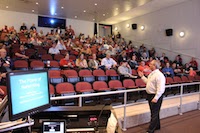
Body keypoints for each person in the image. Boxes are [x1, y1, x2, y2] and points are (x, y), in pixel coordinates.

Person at [138, 60, 165, 133]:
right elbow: (148, 83)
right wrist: (142, 77)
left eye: (151, 64)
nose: (149, 65)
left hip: (155, 96)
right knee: (154, 112)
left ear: (155, 66)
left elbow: (161, 88)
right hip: (150, 95)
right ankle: (157, 126)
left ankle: (150, 130)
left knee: (154, 113)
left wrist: (156, 97)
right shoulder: (151, 74)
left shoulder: (159, 75)